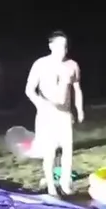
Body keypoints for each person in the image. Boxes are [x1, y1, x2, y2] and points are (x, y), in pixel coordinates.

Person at [24, 31, 84, 196]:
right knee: (49, 152)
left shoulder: (72, 65)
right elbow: (29, 89)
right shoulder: (41, 64)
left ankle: (65, 183)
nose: (62, 50)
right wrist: (40, 104)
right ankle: (51, 185)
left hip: (65, 114)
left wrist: (79, 109)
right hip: (47, 114)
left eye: (65, 46)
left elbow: (77, 89)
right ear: (51, 46)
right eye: (58, 46)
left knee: (67, 150)